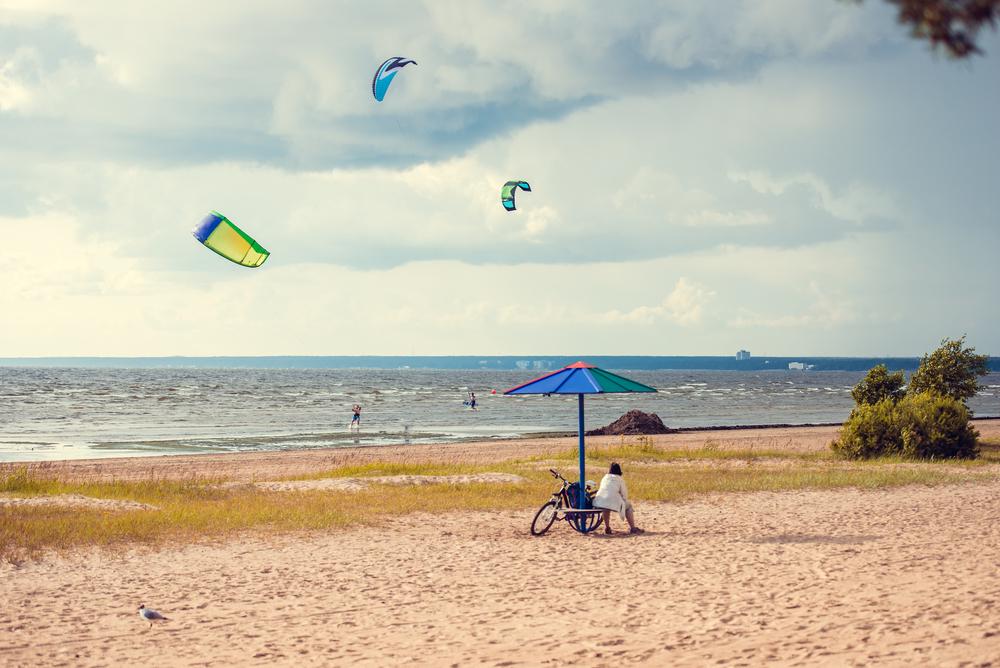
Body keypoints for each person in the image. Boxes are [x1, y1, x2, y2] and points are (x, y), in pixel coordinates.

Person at [592, 462, 643, 535]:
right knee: (628, 507)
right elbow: (624, 494)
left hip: (599, 501)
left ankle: (607, 527)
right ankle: (633, 528)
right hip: (611, 501)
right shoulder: (619, 479)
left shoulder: (605, 477)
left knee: (606, 508)